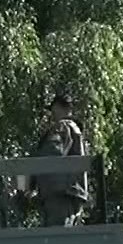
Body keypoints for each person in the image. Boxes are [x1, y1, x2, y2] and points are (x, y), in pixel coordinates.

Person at [31, 93, 89, 227]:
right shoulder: (75, 129)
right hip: (73, 193)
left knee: (55, 240)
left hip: (60, 194)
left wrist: (30, 181)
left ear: (60, 108)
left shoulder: (62, 127)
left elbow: (51, 155)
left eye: (54, 108)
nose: (52, 113)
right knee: (66, 240)